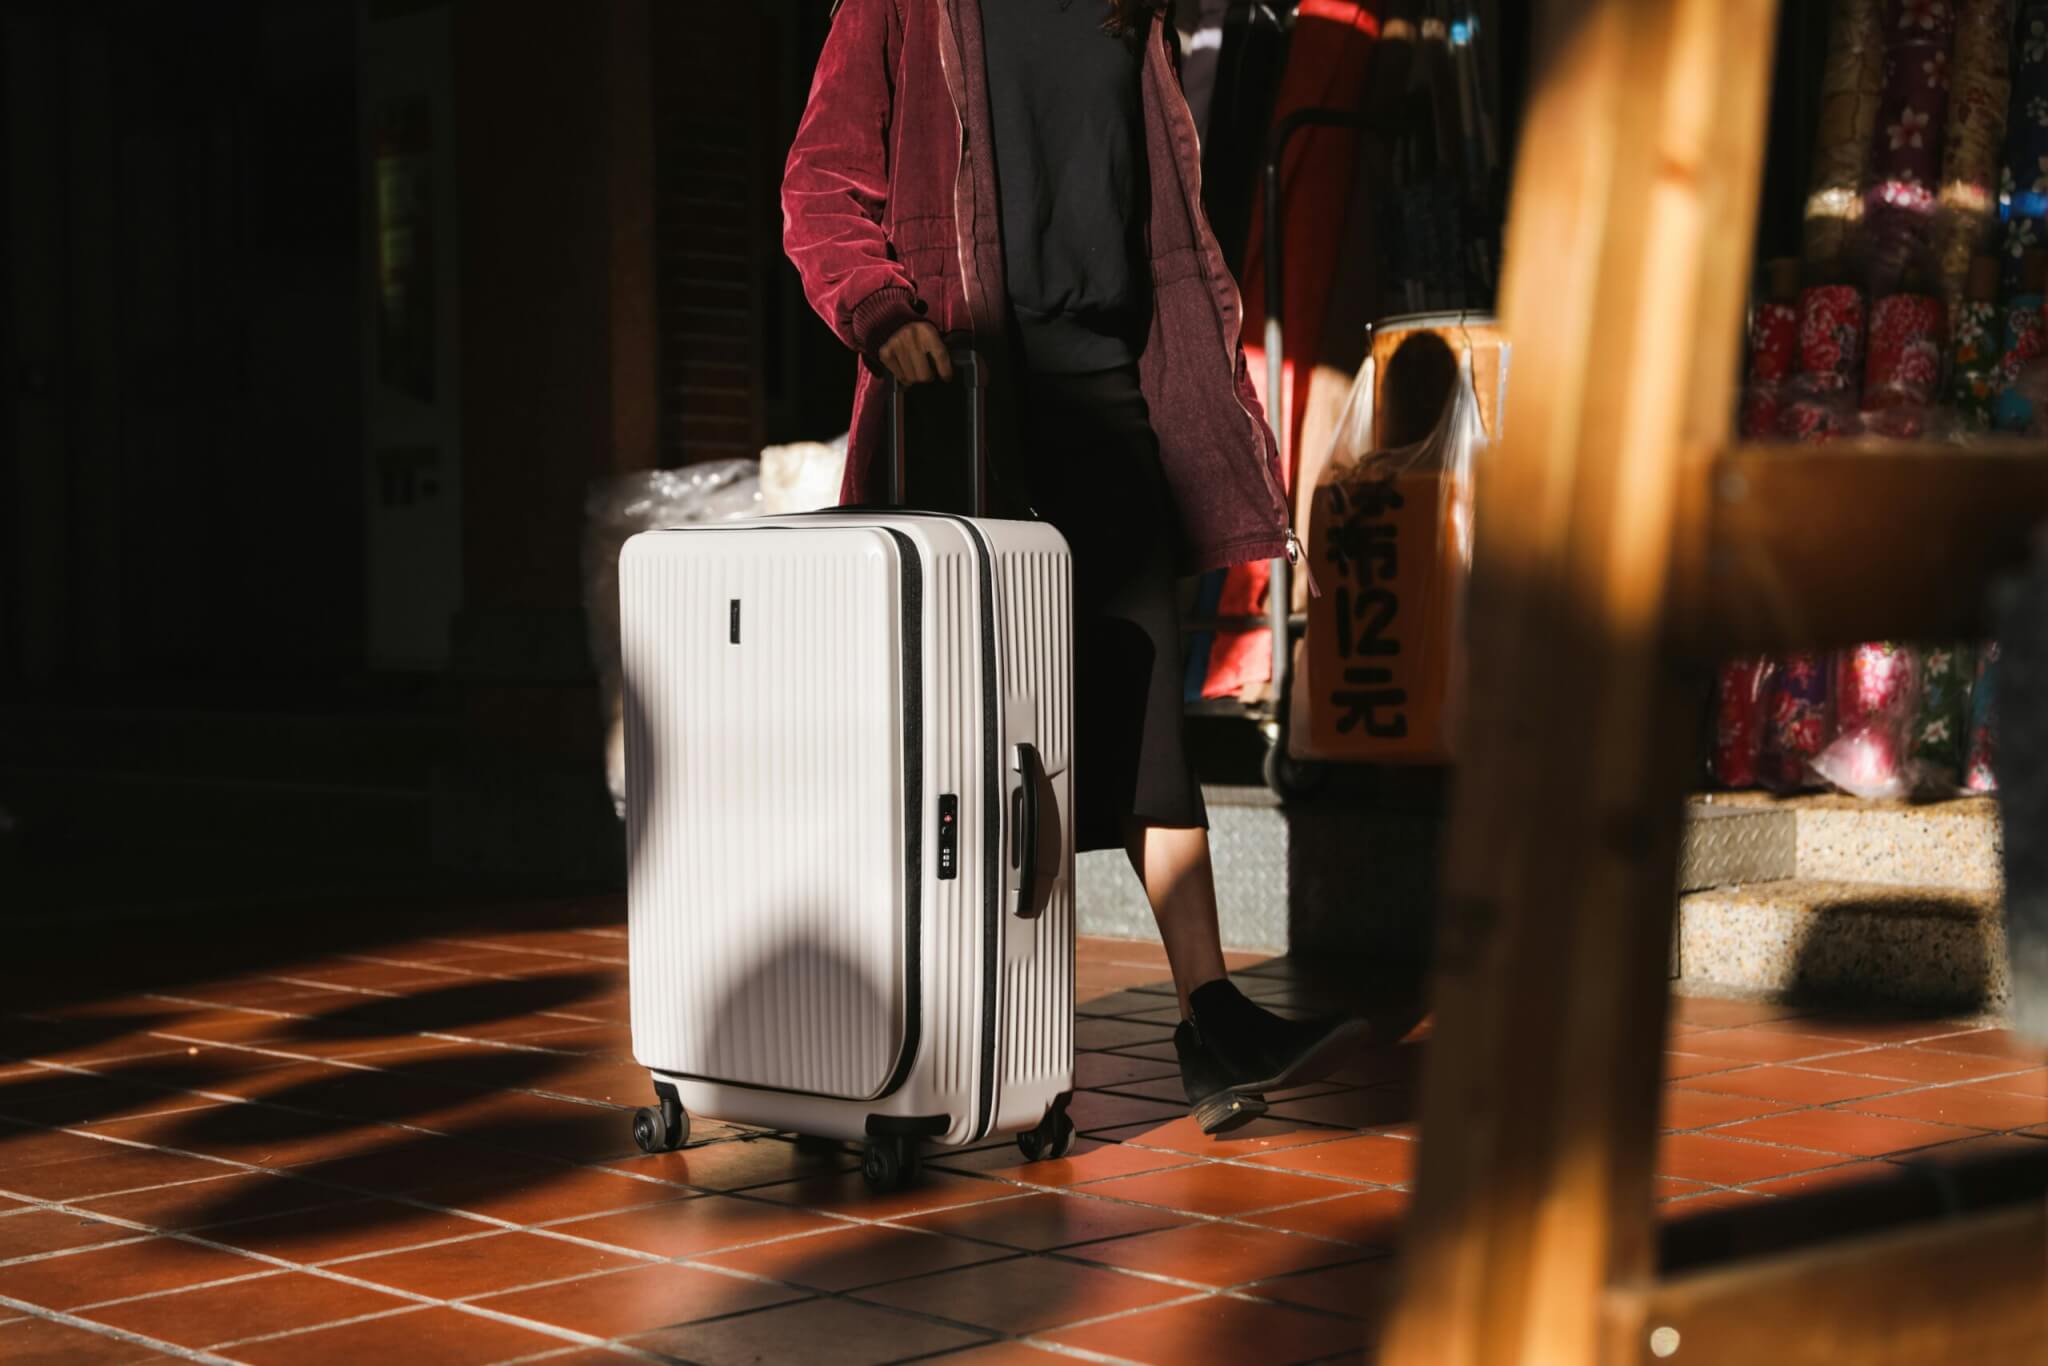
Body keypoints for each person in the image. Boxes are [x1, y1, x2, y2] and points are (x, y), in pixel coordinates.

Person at [782, 0, 1364, 1134]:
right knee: (947, 727)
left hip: (1106, 382)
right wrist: (876, 305)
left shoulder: (1120, 15)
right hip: (962, 388)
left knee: (1144, 702)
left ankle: (1211, 1014)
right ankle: (890, 1023)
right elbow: (819, 187)